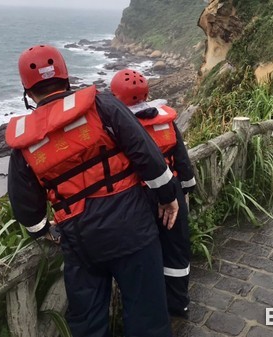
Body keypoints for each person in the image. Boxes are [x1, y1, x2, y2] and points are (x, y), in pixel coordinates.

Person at [5, 45, 180, 337]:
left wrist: (43, 231)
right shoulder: (102, 105)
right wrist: (167, 197)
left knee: (88, 323)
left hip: (80, 239)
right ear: (66, 78)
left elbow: (24, 206)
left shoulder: (24, 142)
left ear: (27, 92)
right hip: (132, 226)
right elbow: (146, 155)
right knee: (147, 313)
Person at [110, 68, 196, 319]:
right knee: (176, 249)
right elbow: (182, 159)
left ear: (116, 98)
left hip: (138, 197)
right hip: (173, 192)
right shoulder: (165, 119)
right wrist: (185, 189)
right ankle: (179, 303)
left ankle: (149, 309)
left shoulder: (118, 128)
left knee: (146, 253)